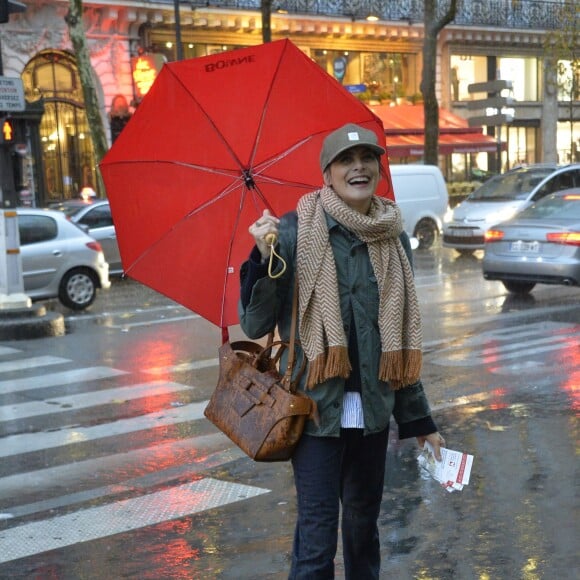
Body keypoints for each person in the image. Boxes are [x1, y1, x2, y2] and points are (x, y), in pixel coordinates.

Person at [239, 123, 445, 579]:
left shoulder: (393, 237)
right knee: (315, 540)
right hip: (314, 412)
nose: (359, 168)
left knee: (362, 530)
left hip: (372, 413)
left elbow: (401, 340)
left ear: (377, 168)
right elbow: (254, 324)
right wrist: (262, 259)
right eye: (346, 162)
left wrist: (421, 423)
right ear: (327, 173)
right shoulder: (292, 233)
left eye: (367, 159)